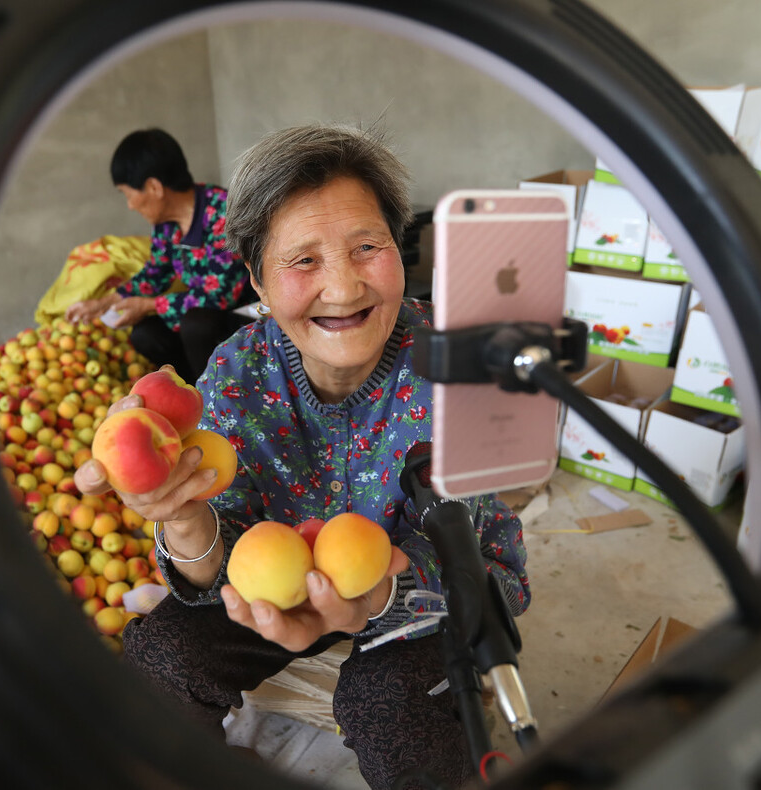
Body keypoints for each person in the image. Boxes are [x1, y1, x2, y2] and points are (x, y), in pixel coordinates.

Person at [74, 125, 530, 789]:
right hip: (275, 582)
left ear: (400, 253)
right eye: (304, 261)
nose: (343, 289)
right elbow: (218, 564)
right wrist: (185, 521)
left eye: (366, 247)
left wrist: (383, 597)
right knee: (160, 655)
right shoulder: (236, 374)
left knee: (389, 707)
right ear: (257, 280)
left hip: (416, 595)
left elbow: (487, 565)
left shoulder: (456, 365)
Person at [65, 128, 251, 383]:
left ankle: (214, 400)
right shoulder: (166, 224)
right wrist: (104, 303)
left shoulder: (222, 213)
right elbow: (155, 274)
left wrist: (149, 305)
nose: (130, 205)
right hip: (199, 318)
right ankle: (187, 386)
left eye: (128, 195)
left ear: (154, 187)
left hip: (242, 314)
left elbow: (220, 296)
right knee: (145, 332)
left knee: (196, 324)